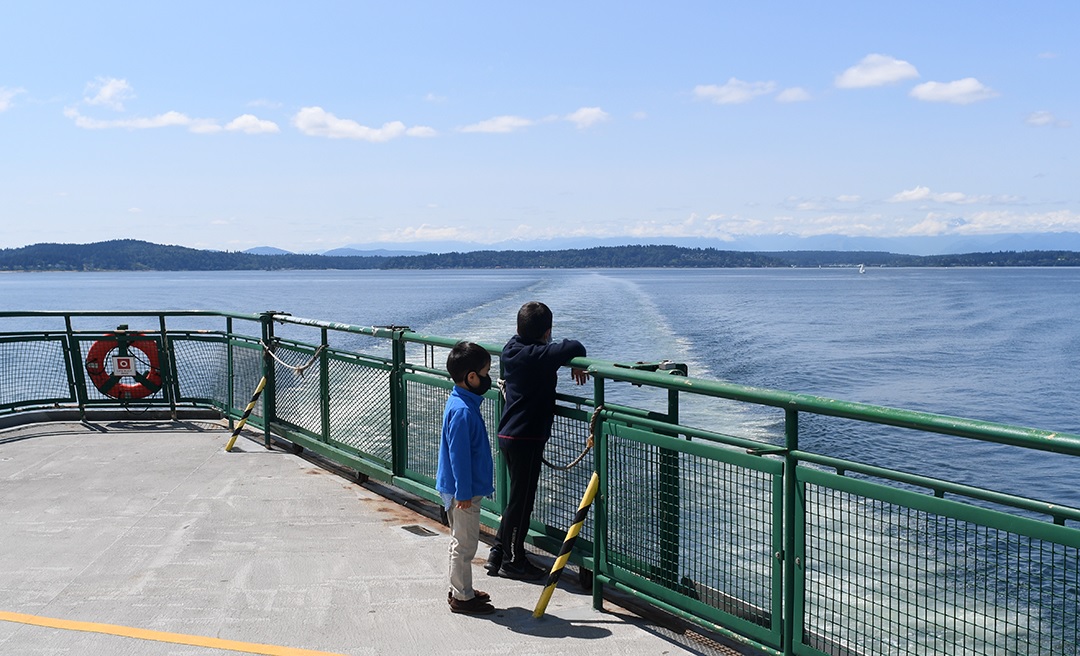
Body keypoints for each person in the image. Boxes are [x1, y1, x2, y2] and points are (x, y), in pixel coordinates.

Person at [487, 301, 588, 580]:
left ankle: (499, 550)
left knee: (515, 499)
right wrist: (573, 363)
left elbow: (559, 348)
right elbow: (574, 346)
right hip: (527, 437)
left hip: (509, 434)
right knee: (523, 501)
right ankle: (514, 561)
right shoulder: (538, 355)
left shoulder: (511, 349)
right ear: (547, 332)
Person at [436, 341, 496, 614]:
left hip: (462, 489)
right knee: (465, 542)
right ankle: (462, 596)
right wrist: (463, 493)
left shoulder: (462, 402)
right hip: (464, 492)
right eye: (485, 372)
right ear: (471, 377)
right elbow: (458, 455)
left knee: (461, 539)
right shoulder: (462, 411)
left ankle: (461, 588)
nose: (488, 378)